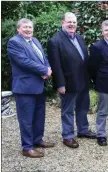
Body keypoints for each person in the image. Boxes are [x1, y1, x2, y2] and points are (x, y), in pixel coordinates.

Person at [47, 12, 96, 149]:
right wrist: (60, 84)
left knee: (83, 107)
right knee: (68, 110)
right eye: (69, 22)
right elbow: (55, 66)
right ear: (62, 22)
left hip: (83, 80)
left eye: (74, 22)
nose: (72, 24)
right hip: (68, 83)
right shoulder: (55, 41)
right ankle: (67, 136)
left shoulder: (79, 38)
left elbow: (83, 59)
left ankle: (83, 130)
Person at [7, 18, 55, 158]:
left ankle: (37, 140)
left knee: (39, 116)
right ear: (18, 29)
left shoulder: (35, 41)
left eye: (30, 27)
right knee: (26, 119)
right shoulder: (14, 42)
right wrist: (43, 70)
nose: (28, 29)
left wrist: (48, 68)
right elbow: (23, 61)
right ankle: (27, 147)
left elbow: (43, 57)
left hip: (39, 85)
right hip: (24, 87)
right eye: (25, 27)